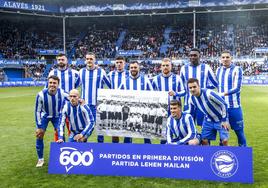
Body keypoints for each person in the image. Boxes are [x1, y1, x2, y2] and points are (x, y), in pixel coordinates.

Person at [35, 75, 69, 167]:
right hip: (44, 116)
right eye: (50, 83)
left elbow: (72, 97)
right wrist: (38, 126)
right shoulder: (41, 95)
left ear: (58, 84)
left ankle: (62, 157)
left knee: (61, 135)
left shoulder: (62, 93)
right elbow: (37, 111)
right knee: (39, 135)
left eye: (54, 83)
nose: (52, 85)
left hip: (57, 116)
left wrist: (81, 100)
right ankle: (40, 159)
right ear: (47, 83)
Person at [216, 50, 247, 146]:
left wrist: (223, 94)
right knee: (223, 136)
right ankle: (221, 154)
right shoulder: (218, 70)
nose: (225, 59)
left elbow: (237, 88)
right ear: (221, 59)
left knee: (240, 133)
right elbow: (216, 85)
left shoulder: (237, 69)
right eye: (223, 57)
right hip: (222, 108)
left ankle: (244, 155)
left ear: (231, 58)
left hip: (234, 108)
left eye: (227, 57)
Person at [180, 48, 218, 126]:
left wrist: (204, 89)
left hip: (203, 102)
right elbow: (181, 85)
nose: (192, 57)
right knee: (187, 125)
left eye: (195, 55)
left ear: (199, 56)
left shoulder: (206, 67)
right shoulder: (184, 68)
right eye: (191, 55)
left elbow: (215, 83)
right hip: (188, 102)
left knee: (205, 126)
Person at [152, 58, 186, 144]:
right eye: (163, 65)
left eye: (167, 65)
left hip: (175, 110)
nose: (165, 67)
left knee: (179, 132)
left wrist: (176, 93)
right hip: (162, 111)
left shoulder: (177, 78)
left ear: (171, 66)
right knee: (163, 134)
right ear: (161, 67)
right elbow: (152, 94)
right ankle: (164, 152)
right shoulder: (156, 79)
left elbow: (184, 92)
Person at [187, 78, 230, 146]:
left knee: (224, 141)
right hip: (208, 120)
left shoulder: (208, 93)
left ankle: (225, 152)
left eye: (194, 87)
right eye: (190, 88)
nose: (192, 89)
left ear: (199, 86)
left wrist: (224, 120)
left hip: (221, 119)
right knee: (204, 140)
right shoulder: (191, 99)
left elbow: (224, 104)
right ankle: (208, 155)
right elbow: (191, 114)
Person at [79, 52, 111, 143]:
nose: (89, 60)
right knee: (85, 127)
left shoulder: (101, 71)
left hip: (98, 106)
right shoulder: (81, 72)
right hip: (85, 105)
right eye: (87, 59)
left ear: (95, 60)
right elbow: (75, 85)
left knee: (99, 130)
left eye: (91, 59)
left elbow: (110, 86)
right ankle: (83, 147)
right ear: (85, 60)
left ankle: (99, 149)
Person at [119, 61, 153, 144]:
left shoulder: (145, 80)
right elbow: (118, 94)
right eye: (131, 68)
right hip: (130, 112)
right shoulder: (125, 81)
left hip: (142, 112)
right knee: (129, 132)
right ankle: (127, 151)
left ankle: (149, 151)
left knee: (145, 133)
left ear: (139, 68)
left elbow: (153, 94)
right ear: (129, 69)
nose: (133, 69)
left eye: (135, 67)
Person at [48, 53, 80, 140]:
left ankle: (72, 148)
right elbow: (48, 88)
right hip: (56, 106)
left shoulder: (74, 73)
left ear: (67, 61)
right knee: (58, 129)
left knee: (72, 129)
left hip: (71, 105)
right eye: (59, 60)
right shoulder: (52, 72)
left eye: (63, 59)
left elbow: (78, 84)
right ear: (57, 61)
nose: (61, 61)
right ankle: (60, 149)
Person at [108, 56, 129, 143]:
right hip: (114, 105)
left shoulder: (129, 74)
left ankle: (127, 146)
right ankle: (115, 147)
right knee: (114, 128)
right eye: (117, 62)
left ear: (124, 63)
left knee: (127, 128)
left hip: (127, 104)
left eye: (121, 62)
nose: (119, 64)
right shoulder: (110, 74)